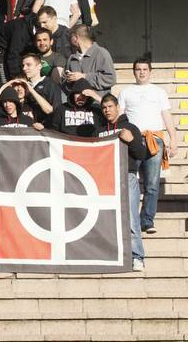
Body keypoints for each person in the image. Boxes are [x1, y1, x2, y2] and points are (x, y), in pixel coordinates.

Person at [119, 59, 180, 234]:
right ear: (134, 72)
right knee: (131, 181)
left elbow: (166, 115)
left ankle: (147, 220)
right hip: (134, 141)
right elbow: (121, 117)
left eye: (145, 69)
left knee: (152, 184)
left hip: (155, 138)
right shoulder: (125, 92)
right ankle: (130, 219)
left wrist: (173, 139)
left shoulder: (158, 92)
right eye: (138, 69)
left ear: (150, 71)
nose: (142, 72)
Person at [96, 94, 148, 270]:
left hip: (127, 175)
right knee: (105, 218)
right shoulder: (99, 130)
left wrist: (132, 140)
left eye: (110, 106)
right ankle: (109, 254)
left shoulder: (130, 127)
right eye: (104, 107)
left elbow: (142, 154)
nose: (107, 110)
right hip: (105, 178)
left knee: (132, 218)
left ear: (118, 107)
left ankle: (137, 257)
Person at [65, 24, 115, 97]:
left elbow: (110, 79)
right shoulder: (72, 58)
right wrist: (68, 80)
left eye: (70, 37)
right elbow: (65, 84)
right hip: (77, 106)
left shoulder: (101, 53)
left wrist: (84, 77)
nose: (69, 40)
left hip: (97, 104)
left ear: (76, 38)